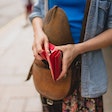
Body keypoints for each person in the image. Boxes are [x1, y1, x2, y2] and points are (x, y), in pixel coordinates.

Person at [29, 0, 112, 112]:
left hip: (86, 77)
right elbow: (37, 11)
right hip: (49, 72)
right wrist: (38, 33)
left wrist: (77, 49)